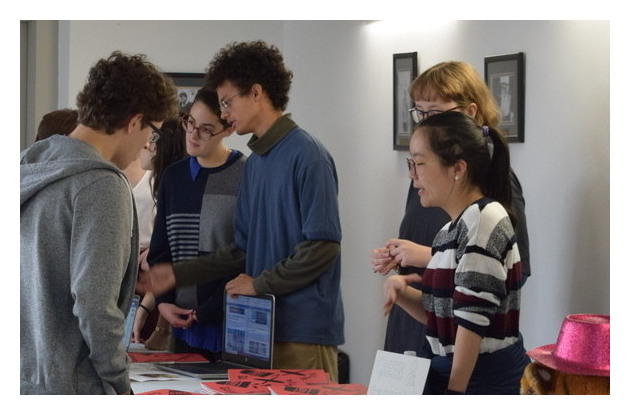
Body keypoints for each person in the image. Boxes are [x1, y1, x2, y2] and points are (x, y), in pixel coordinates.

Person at [142, 41, 344, 382]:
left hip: (302, 333)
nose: (223, 114)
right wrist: (180, 274)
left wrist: (260, 284)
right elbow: (242, 249)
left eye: (227, 102)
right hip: (257, 330)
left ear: (256, 93)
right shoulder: (257, 164)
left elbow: (323, 247)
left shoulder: (308, 155)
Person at [20, 51, 179, 394]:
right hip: (74, 385)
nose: (147, 145)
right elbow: (95, 305)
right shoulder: (101, 185)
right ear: (134, 121)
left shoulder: (28, 167)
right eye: (153, 132)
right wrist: (120, 385)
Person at [370, 61, 530, 357]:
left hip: (456, 332)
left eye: (434, 113)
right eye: (419, 112)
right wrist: (398, 256)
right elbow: (426, 239)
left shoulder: (495, 181)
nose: (424, 123)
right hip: (414, 317)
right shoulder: (423, 176)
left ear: (469, 112)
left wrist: (427, 255)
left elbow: (508, 266)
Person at [382, 111, 529, 394]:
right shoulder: (452, 230)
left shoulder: (485, 219)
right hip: (455, 372)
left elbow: (471, 322)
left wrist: (454, 392)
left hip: (482, 381)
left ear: (457, 169)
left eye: (420, 163)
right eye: (410, 163)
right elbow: (444, 317)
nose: (412, 175)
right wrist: (401, 293)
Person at [147, 88, 245, 361]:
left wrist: (208, 311)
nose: (192, 134)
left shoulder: (246, 175)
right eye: (189, 122)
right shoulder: (173, 177)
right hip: (180, 325)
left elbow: (246, 254)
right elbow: (161, 247)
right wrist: (164, 302)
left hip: (231, 321)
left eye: (206, 129)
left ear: (227, 129)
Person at [131, 115, 188, 348]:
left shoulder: (174, 189)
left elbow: (167, 260)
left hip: (163, 297)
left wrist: (158, 324)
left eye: (154, 137)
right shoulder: (151, 183)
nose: (146, 143)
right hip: (150, 292)